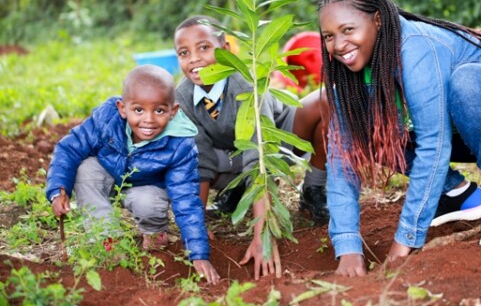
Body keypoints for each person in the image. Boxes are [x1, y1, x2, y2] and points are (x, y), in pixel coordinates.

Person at [317, 0, 481, 276]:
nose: (339, 44)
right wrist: (347, 248)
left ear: (378, 20)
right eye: (329, 36)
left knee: (468, 81)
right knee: (365, 127)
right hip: (474, 129)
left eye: (348, 29)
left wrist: (404, 241)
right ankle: (459, 196)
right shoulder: (349, 76)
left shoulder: (415, 47)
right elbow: (340, 157)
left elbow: (434, 146)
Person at [174, 15, 329, 280]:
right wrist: (195, 225)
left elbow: (260, 156)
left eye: (204, 47)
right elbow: (198, 159)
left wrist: (262, 235)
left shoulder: (245, 86)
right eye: (183, 53)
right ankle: (236, 195)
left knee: (326, 102)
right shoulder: (183, 96)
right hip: (231, 154)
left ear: (226, 50)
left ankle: (314, 188)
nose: (194, 59)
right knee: (193, 156)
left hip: (280, 138)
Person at [45, 65, 220, 285]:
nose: (148, 120)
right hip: (109, 173)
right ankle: (107, 239)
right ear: (122, 108)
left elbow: (186, 198)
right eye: (138, 110)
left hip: (147, 186)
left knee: (147, 202)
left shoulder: (179, 143)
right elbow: (69, 149)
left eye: (159, 111)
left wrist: (199, 254)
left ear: (173, 111)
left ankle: (155, 233)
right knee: (85, 170)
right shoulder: (107, 118)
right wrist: (58, 189)